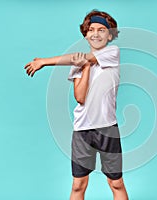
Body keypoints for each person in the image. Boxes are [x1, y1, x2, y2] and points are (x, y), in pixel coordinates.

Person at [24, 10, 129, 200]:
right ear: (85, 34)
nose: (96, 34)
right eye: (91, 30)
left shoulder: (113, 53)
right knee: (78, 185)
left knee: (116, 183)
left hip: (108, 129)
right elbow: (80, 97)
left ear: (110, 34)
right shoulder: (77, 64)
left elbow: (84, 58)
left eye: (102, 30)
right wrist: (86, 67)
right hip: (82, 130)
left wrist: (44, 62)